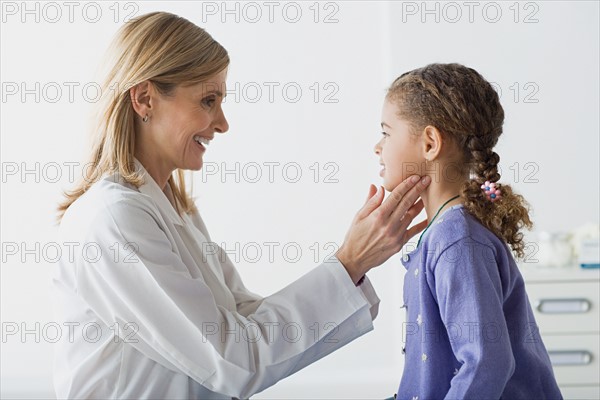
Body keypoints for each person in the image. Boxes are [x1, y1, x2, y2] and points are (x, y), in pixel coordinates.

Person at [52, 11, 431, 399]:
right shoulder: (113, 219)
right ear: (145, 98)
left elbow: (241, 323)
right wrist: (350, 261)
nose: (222, 123)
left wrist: (353, 265)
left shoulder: (174, 210)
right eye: (208, 100)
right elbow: (232, 358)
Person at [376, 63, 563, 399]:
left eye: (387, 133)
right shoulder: (446, 233)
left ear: (430, 143)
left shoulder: (457, 240)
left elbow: (485, 365)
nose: (378, 146)